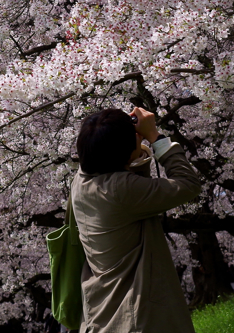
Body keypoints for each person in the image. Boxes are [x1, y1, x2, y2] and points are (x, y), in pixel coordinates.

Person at [72, 107, 203, 333]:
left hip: (105, 313)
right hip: (137, 317)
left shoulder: (82, 180)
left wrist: (128, 142)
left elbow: (128, 176)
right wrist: (155, 137)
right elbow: (188, 184)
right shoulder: (119, 191)